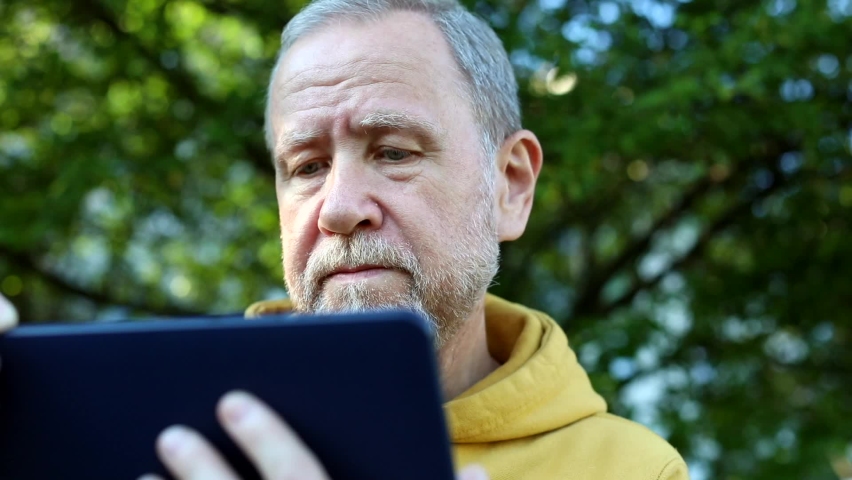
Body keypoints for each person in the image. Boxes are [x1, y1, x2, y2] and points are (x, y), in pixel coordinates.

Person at [0, 0, 691, 478]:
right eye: (306, 167)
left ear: (510, 185)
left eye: (393, 152)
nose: (338, 209)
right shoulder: (136, 437)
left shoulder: (633, 470)